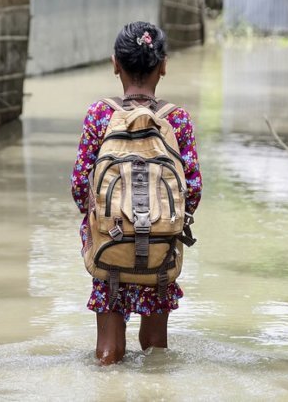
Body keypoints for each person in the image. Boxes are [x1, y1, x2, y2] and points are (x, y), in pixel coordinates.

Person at [70, 21, 202, 365]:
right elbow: (194, 190)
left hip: (109, 242)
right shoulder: (178, 120)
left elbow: (80, 185)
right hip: (160, 246)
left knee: (108, 352)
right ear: (163, 66)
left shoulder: (100, 115)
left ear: (115, 64)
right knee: (156, 350)